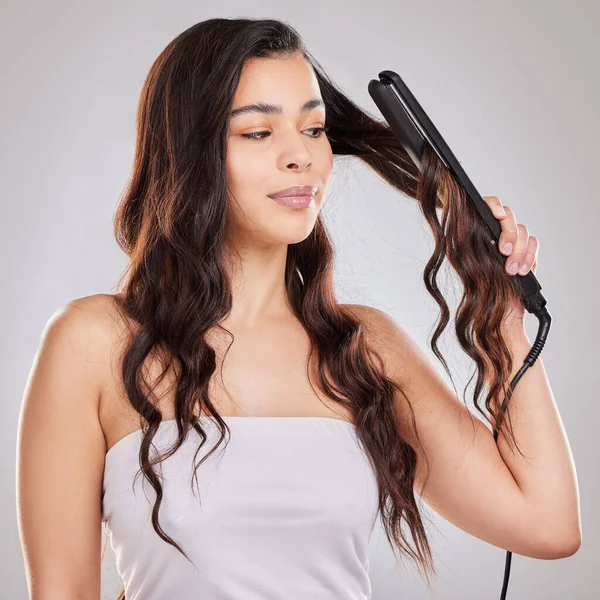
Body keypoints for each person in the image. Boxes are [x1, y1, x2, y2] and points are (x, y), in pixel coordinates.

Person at [16, 17, 581, 600]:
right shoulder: (92, 344)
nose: (302, 157)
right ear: (188, 152)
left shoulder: (365, 349)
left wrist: (504, 316)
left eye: (314, 128)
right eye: (257, 132)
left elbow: (546, 525)